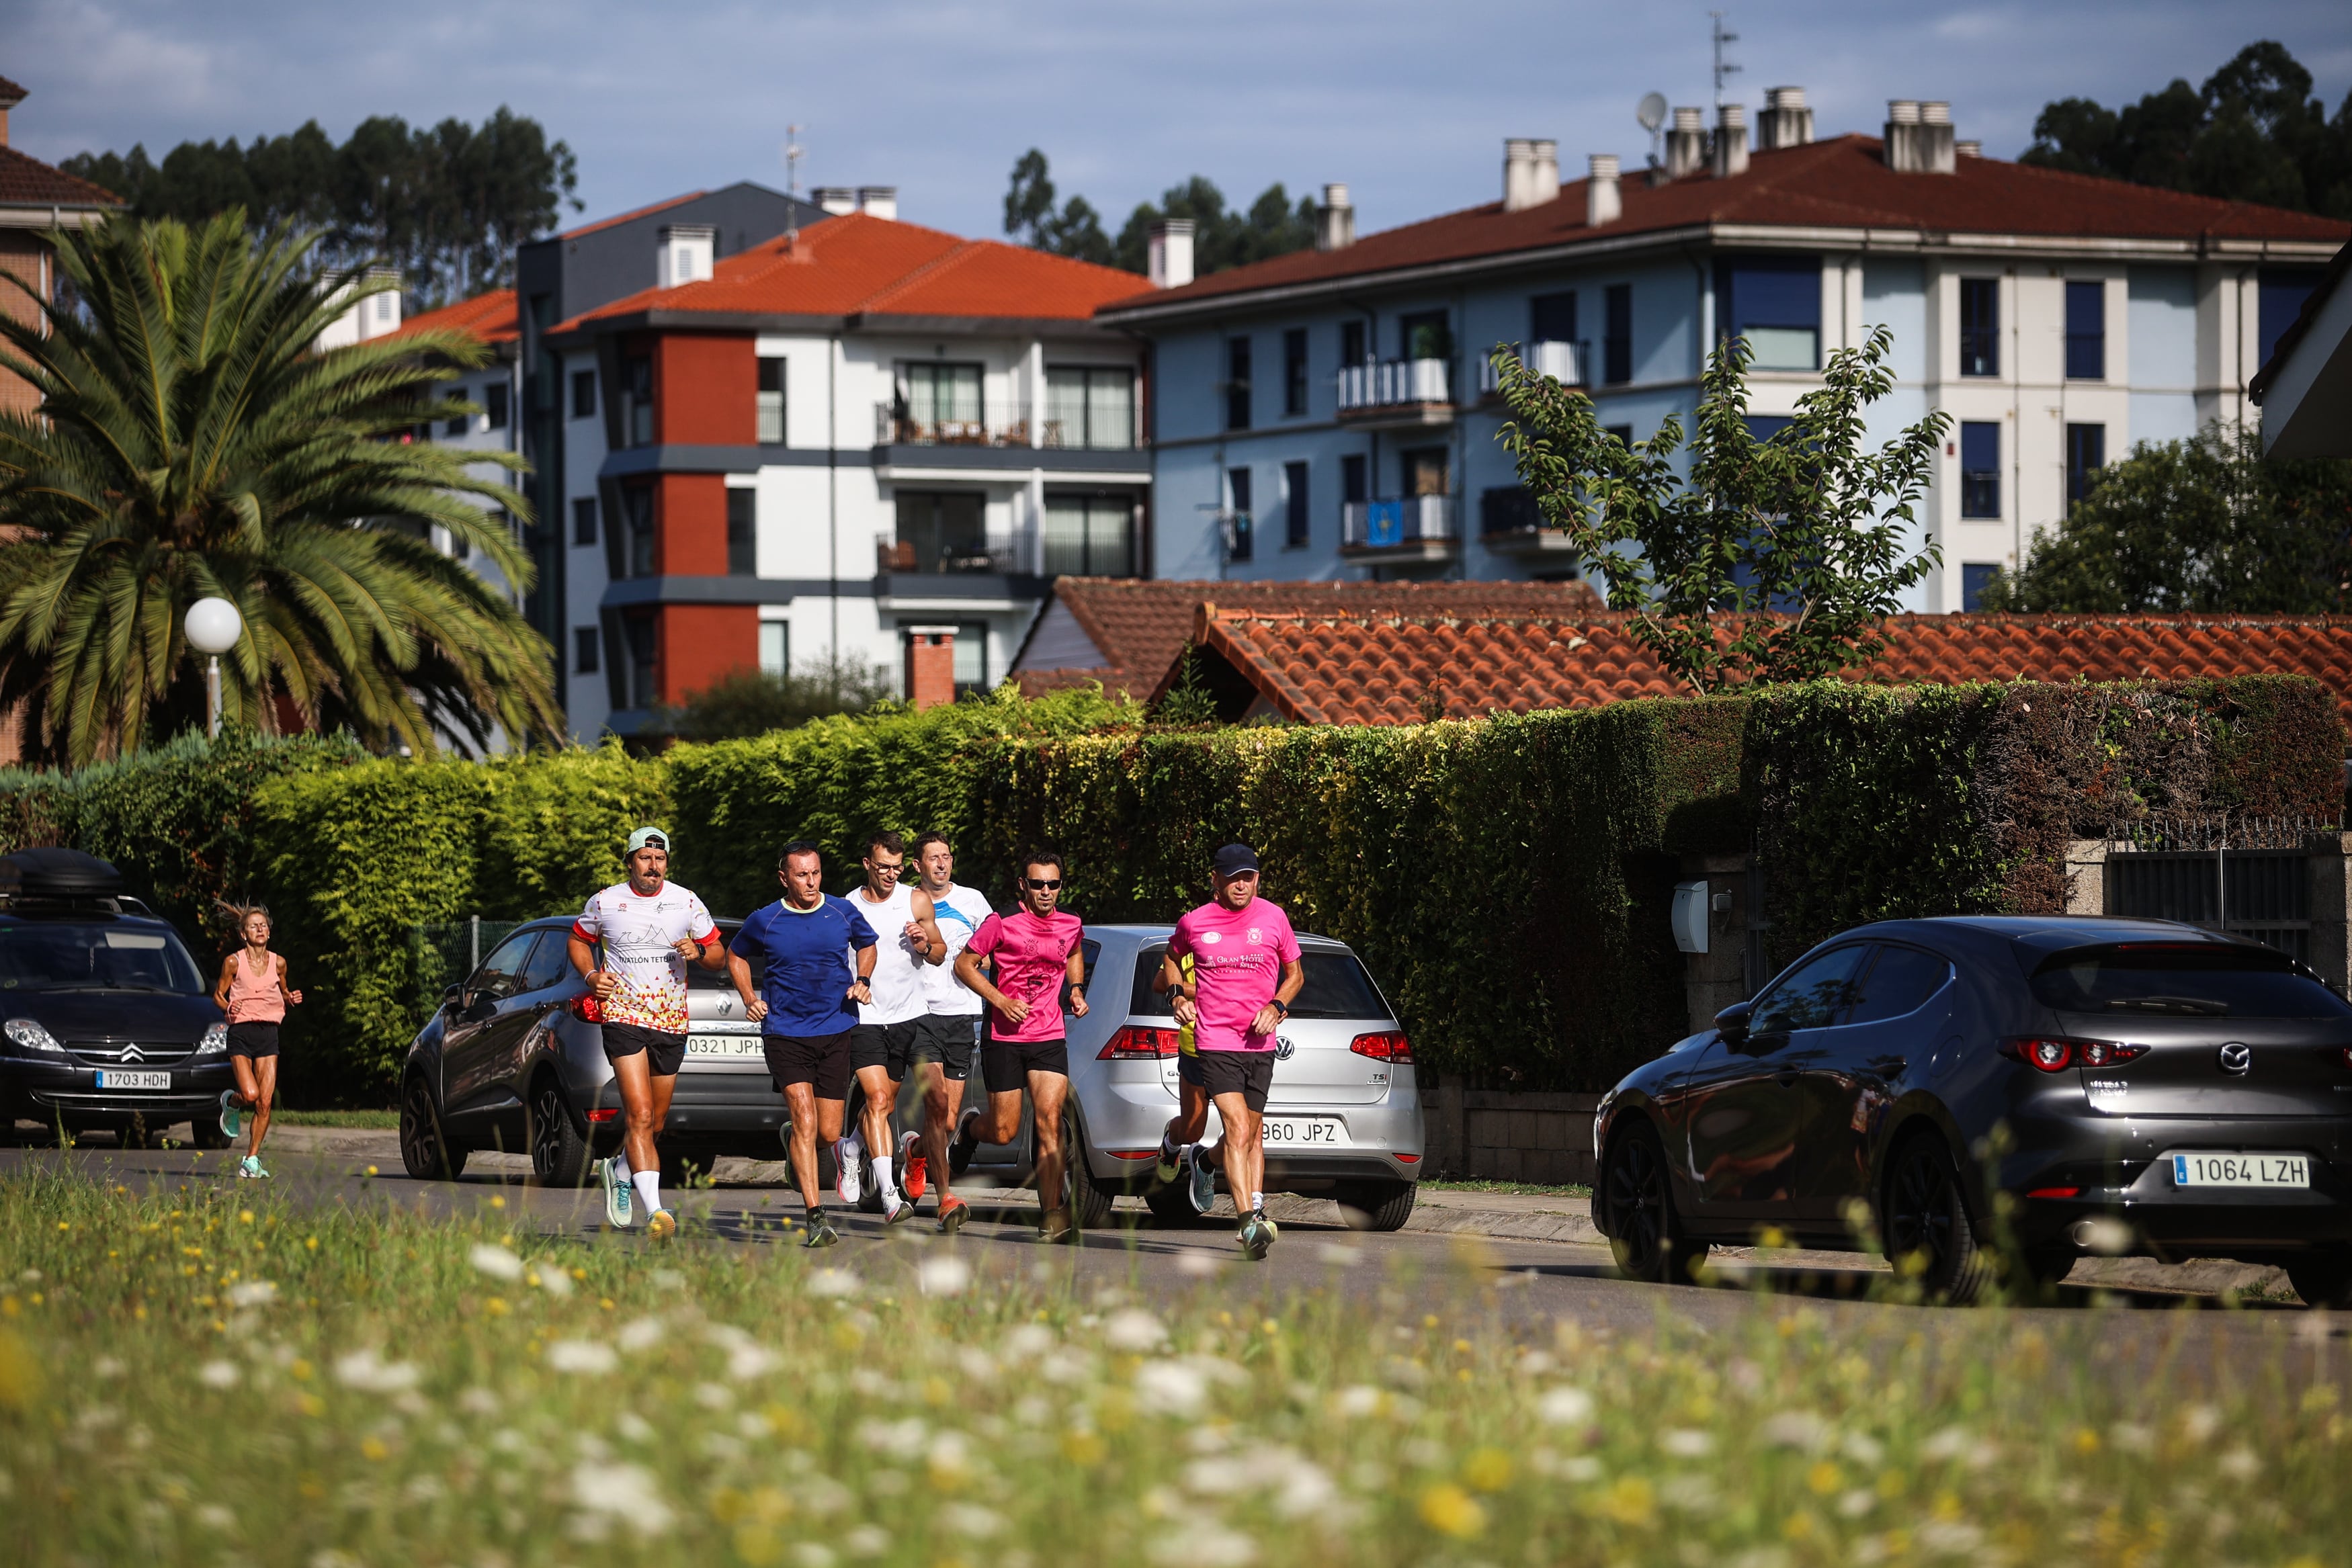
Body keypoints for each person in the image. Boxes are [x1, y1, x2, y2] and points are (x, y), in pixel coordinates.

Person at [568, 827, 726, 1241]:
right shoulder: (605, 901)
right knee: (638, 1115)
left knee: (654, 1124)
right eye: (644, 858)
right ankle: (656, 1212)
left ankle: (618, 1170)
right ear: (630, 861)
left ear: (667, 864)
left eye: (659, 859)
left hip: (671, 1020)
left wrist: (700, 953)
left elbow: (718, 955)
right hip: (623, 1015)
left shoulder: (686, 900)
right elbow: (578, 941)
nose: (652, 866)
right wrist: (590, 975)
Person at [1157, 843, 1304, 1260]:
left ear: (1257, 879)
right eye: (1233, 877)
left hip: (1261, 1042)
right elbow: (1171, 958)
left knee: (1250, 1131)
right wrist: (1175, 996)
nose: (1241, 885)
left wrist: (1276, 1006)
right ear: (1215, 880)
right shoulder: (1195, 922)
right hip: (1215, 1040)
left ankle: (1206, 1162)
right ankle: (1248, 1222)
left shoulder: (1274, 917)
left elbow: (1295, 975)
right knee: (1238, 1125)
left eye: (1249, 877)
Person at [729, 840, 878, 1248]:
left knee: (828, 1133)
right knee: (806, 1118)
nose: (810, 882)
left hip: (835, 1028)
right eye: (801, 875)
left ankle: (795, 1141)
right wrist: (749, 998)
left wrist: (862, 980)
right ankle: (816, 1216)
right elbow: (736, 956)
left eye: (815, 873)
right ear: (784, 877)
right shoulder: (766, 919)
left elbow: (868, 945)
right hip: (785, 1032)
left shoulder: (841, 911)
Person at [952, 850, 1088, 1242]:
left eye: (1054, 884)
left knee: (1049, 1121)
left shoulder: (1070, 923)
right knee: (1005, 1129)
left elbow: (1075, 950)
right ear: (1023, 886)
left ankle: (1051, 1214)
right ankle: (971, 1131)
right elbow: (964, 965)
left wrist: (1075, 989)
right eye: (1038, 884)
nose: (1046, 892)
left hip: (1049, 1035)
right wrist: (1000, 1001)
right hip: (1005, 1037)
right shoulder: (1002, 923)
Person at [843, 832, 946, 1224]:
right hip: (864, 1016)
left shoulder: (915, 900)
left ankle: (851, 1147)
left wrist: (923, 944)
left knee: (881, 1104)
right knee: (880, 1102)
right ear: (867, 864)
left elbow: (939, 955)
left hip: (907, 1017)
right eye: (883, 867)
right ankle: (889, 1196)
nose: (890, 875)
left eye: (897, 868)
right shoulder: (847, 906)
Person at [907, 832, 993, 1233]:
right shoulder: (906, 903)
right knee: (937, 1106)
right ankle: (945, 1199)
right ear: (917, 865)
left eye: (946, 857)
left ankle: (915, 1151)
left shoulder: (973, 901)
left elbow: (995, 948)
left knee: (946, 1121)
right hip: (920, 1014)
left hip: (962, 1015)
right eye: (933, 858)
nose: (941, 864)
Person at [210, 904, 302, 1180]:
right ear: (243, 934)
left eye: (263, 925)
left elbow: (283, 991)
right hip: (241, 1034)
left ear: (269, 932)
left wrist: (290, 998)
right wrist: (228, 1008)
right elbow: (217, 995)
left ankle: (251, 1158)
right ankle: (233, 1104)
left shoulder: (279, 962)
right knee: (250, 1095)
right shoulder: (233, 962)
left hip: (268, 1035)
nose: (260, 929)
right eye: (254, 926)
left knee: (264, 1103)